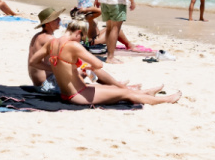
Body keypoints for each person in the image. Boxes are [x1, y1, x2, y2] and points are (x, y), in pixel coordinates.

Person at [30, 19, 181, 105]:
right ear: (77, 33)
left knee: (118, 89)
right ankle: (164, 100)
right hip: (79, 95)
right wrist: (88, 67)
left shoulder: (53, 43)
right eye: (82, 38)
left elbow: (33, 61)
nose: (81, 41)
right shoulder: (73, 46)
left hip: (68, 93)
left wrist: (55, 68)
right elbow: (99, 65)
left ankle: (147, 93)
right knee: (124, 94)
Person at [28, 7, 66, 87]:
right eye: (56, 19)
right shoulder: (49, 39)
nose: (59, 20)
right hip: (46, 84)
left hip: (38, 83)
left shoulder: (37, 36)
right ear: (47, 23)